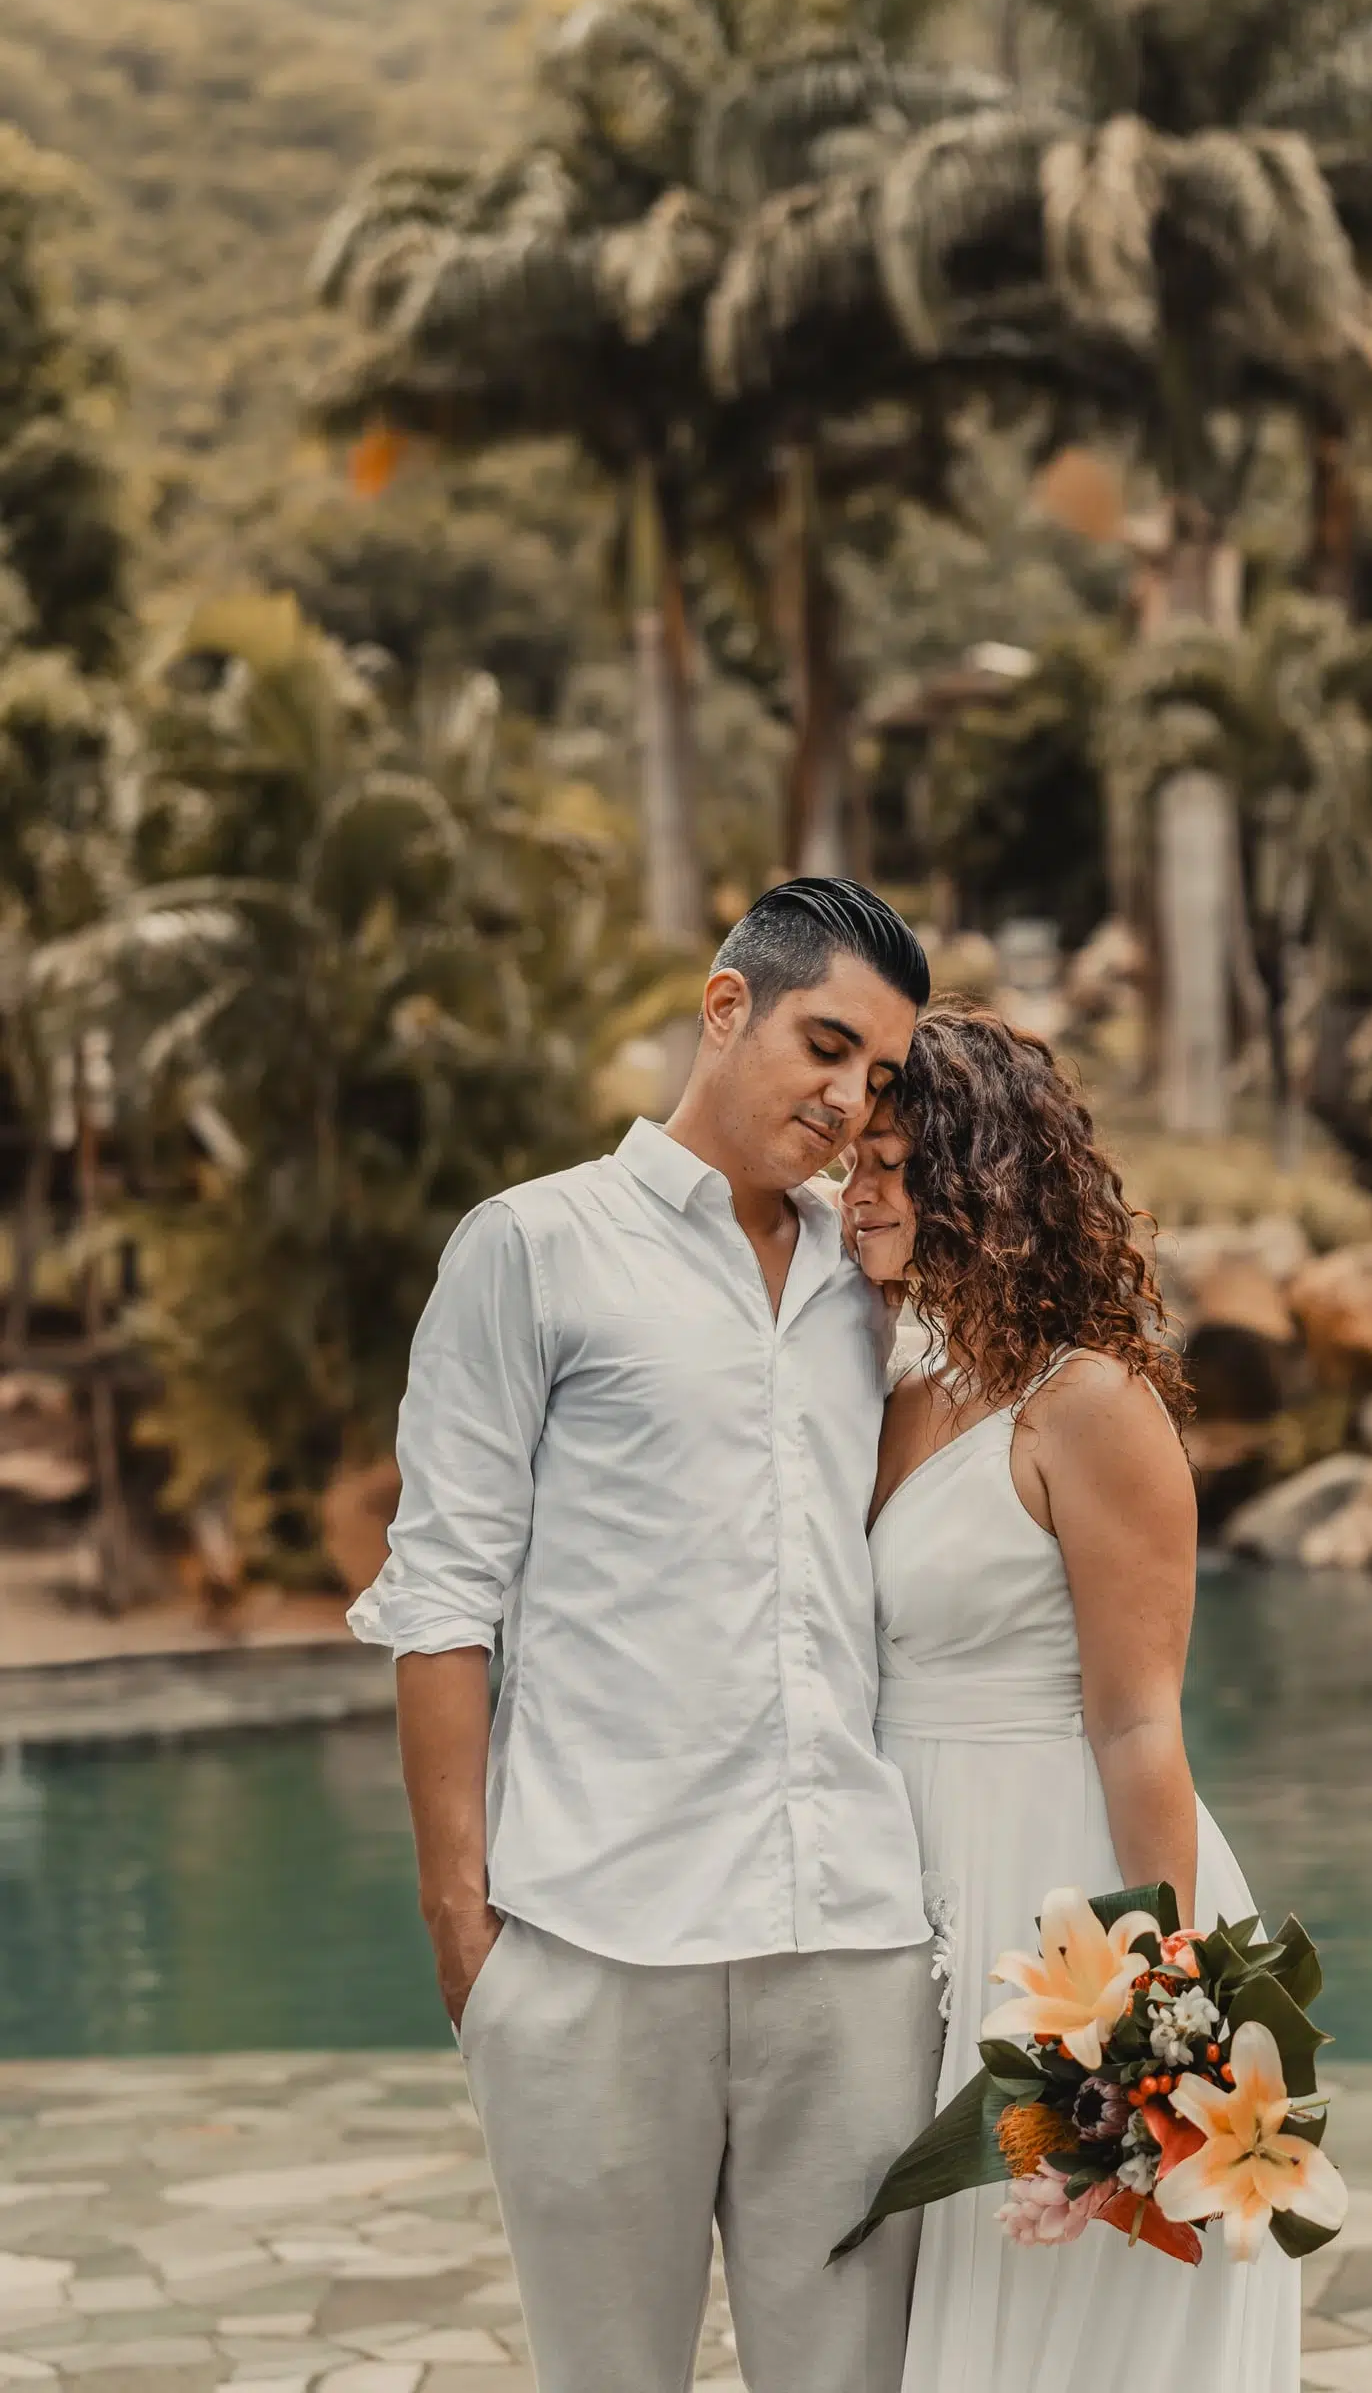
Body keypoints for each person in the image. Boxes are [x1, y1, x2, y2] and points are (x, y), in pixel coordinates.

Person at [348, 878, 945, 2393]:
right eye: (825, 1044)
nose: (845, 1099)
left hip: (853, 1950)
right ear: (724, 1004)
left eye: (877, 1077)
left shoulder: (873, 1285)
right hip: (599, 1951)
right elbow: (441, 1592)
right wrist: (464, 1933)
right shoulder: (532, 1249)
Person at [841, 1002, 1302, 2393]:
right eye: (847, 1159)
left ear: (976, 1180)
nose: (851, 1188)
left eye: (886, 1160)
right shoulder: (900, 1383)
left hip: (1064, 1910)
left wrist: (1166, 2016)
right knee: (948, 2312)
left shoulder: (1086, 1404)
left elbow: (1137, 1721)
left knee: (1065, 2318)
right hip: (907, 1884)